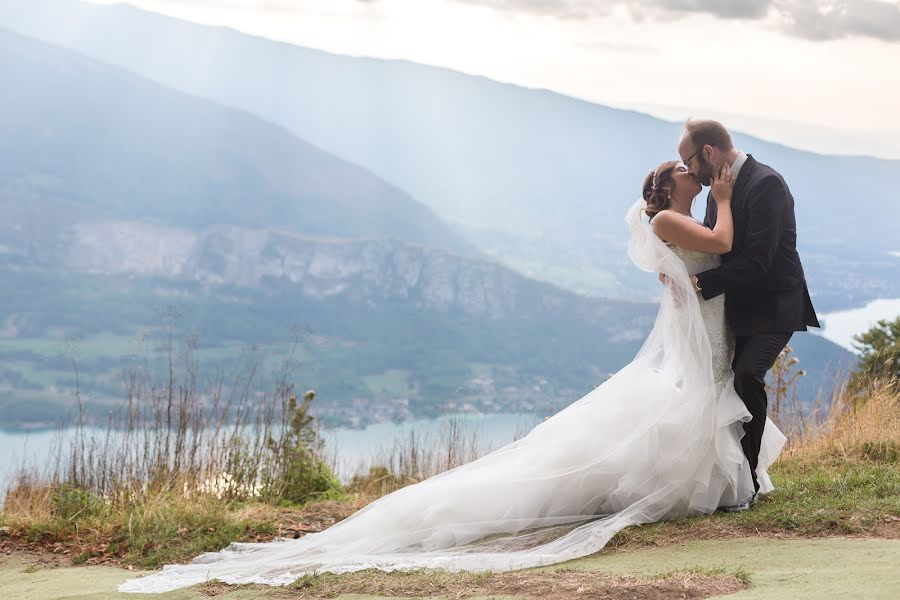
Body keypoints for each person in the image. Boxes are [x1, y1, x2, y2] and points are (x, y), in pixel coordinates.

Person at [120, 158, 785, 594]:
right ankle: (722, 486)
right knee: (689, 407)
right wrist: (726, 196)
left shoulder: (675, 217)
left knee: (699, 405)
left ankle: (733, 483)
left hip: (703, 337)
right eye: (682, 172)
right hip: (699, 341)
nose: (691, 174)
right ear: (665, 190)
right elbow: (723, 242)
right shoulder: (677, 216)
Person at [677, 119, 819, 507]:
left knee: (746, 375)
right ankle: (730, 478)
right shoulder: (717, 192)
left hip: (777, 307)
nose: (689, 171)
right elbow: (712, 246)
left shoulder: (766, 183)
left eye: (688, 161)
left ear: (708, 153)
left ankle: (748, 484)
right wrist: (676, 267)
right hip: (739, 309)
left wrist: (701, 287)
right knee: (724, 385)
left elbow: (758, 261)